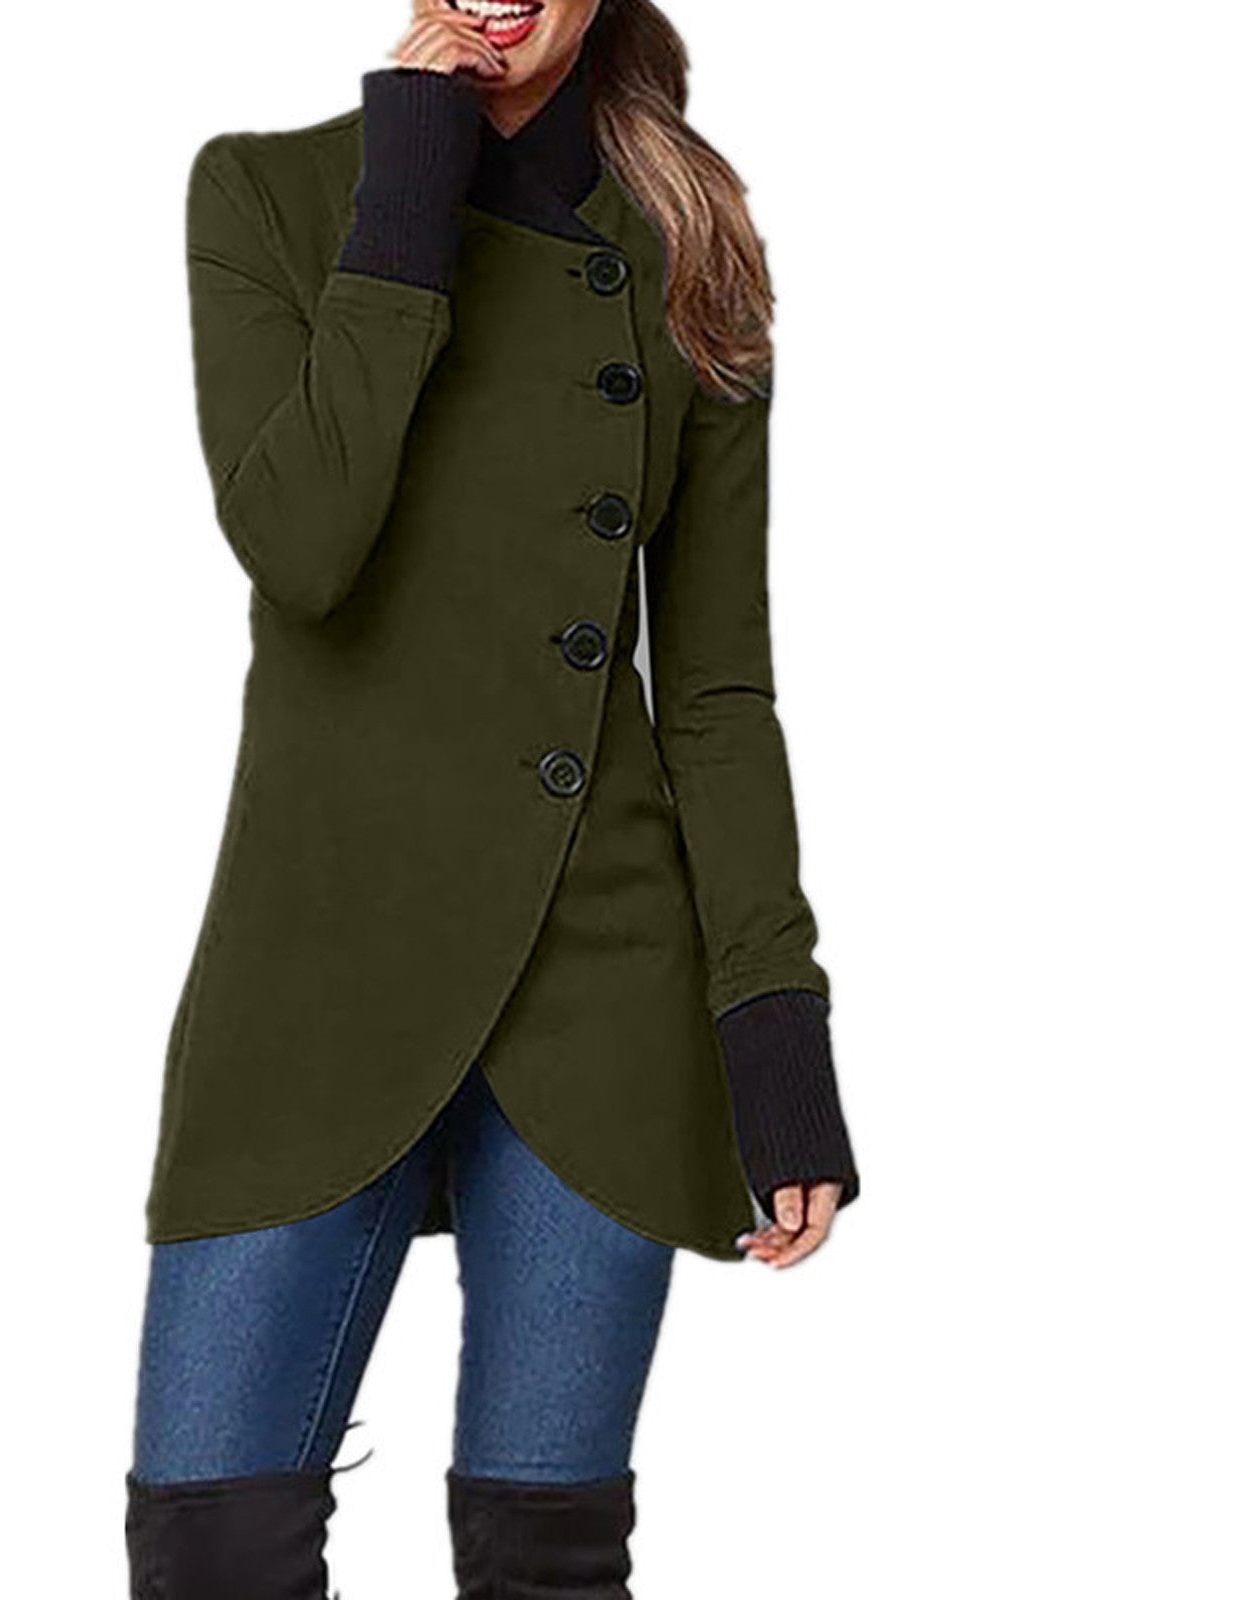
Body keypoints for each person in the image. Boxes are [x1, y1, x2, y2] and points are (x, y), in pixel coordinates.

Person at [125, 2, 861, 1595]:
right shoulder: (267, 191)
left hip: (599, 979)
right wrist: (411, 183)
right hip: (318, 962)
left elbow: (717, 691)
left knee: (547, 1563)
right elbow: (302, 549)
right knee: (212, 1547)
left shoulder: (688, 241)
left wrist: (774, 1024)